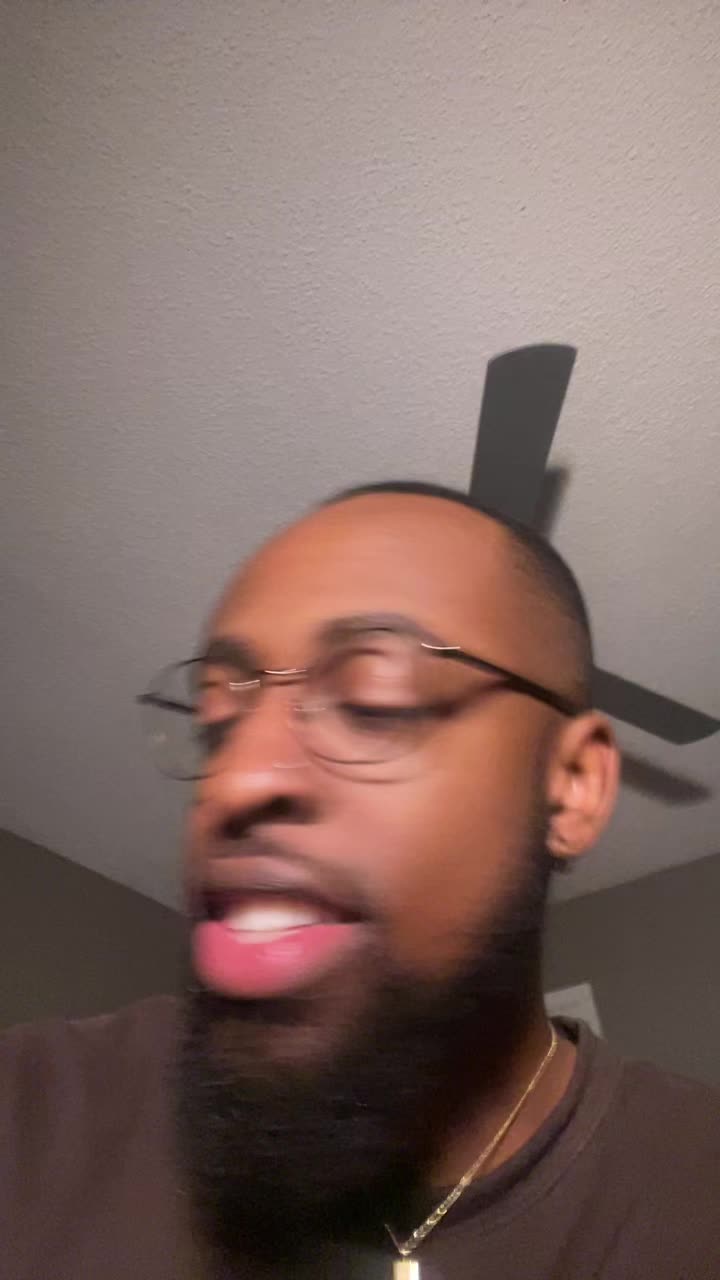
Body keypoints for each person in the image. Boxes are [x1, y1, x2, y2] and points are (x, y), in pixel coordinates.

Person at [1, 481, 718, 1280]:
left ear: (573, 785)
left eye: (375, 700)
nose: (234, 782)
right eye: (218, 724)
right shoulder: (38, 1116)